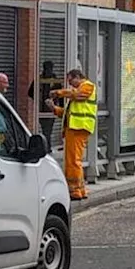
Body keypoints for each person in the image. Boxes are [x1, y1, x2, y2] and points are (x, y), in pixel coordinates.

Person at [48, 69, 97, 200]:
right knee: (73, 159)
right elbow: (67, 114)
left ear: (78, 77)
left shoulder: (87, 86)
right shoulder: (74, 96)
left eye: (70, 80)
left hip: (78, 127)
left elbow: (78, 94)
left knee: (73, 160)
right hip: (74, 127)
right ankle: (80, 189)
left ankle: (74, 190)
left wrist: (59, 93)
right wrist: (54, 109)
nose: (70, 84)